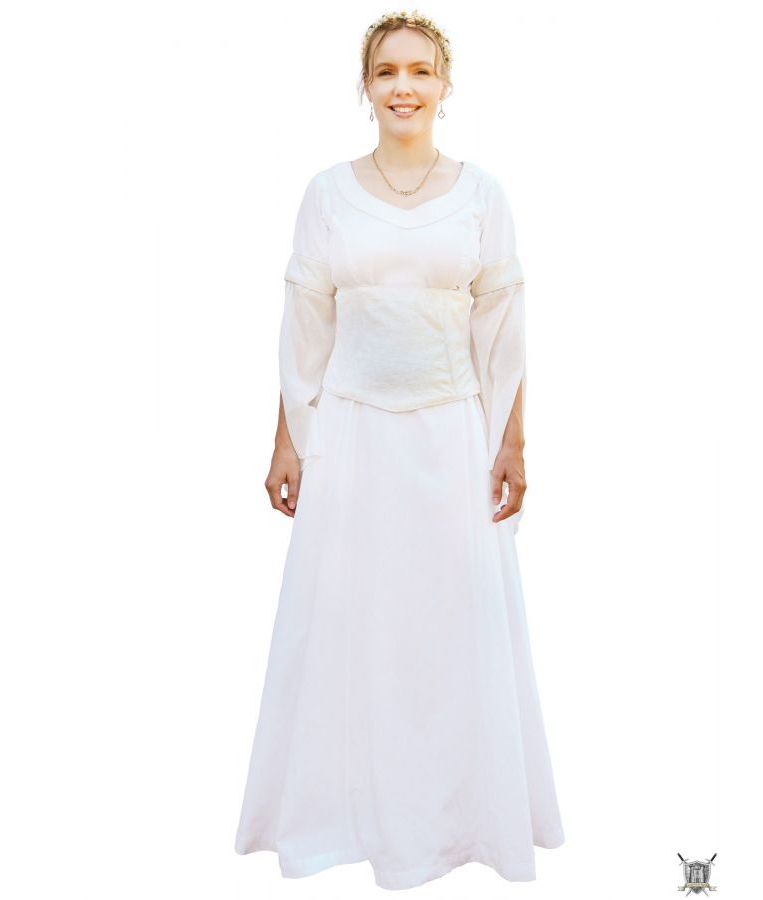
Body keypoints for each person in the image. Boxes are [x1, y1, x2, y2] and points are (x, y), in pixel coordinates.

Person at [234, 10, 565, 890]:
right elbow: (305, 327)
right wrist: (286, 442)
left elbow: (504, 332)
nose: (404, 87)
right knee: (352, 619)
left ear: (445, 86)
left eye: (420, 71)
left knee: (450, 621)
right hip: (351, 436)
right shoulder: (327, 194)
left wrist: (513, 443)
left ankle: (457, 820)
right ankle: (347, 813)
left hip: (451, 434)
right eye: (387, 72)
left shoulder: (483, 194)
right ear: (366, 87)